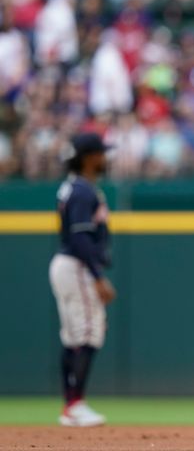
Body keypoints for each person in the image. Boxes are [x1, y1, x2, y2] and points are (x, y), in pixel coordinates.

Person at [49, 132, 116, 427]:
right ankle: (75, 404)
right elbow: (79, 237)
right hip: (77, 265)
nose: (105, 157)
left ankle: (71, 405)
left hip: (69, 265)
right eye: (100, 153)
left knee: (74, 335)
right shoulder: (82, 191)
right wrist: (98, 276)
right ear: (89, 157)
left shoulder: (75, 188)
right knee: (88, 332)